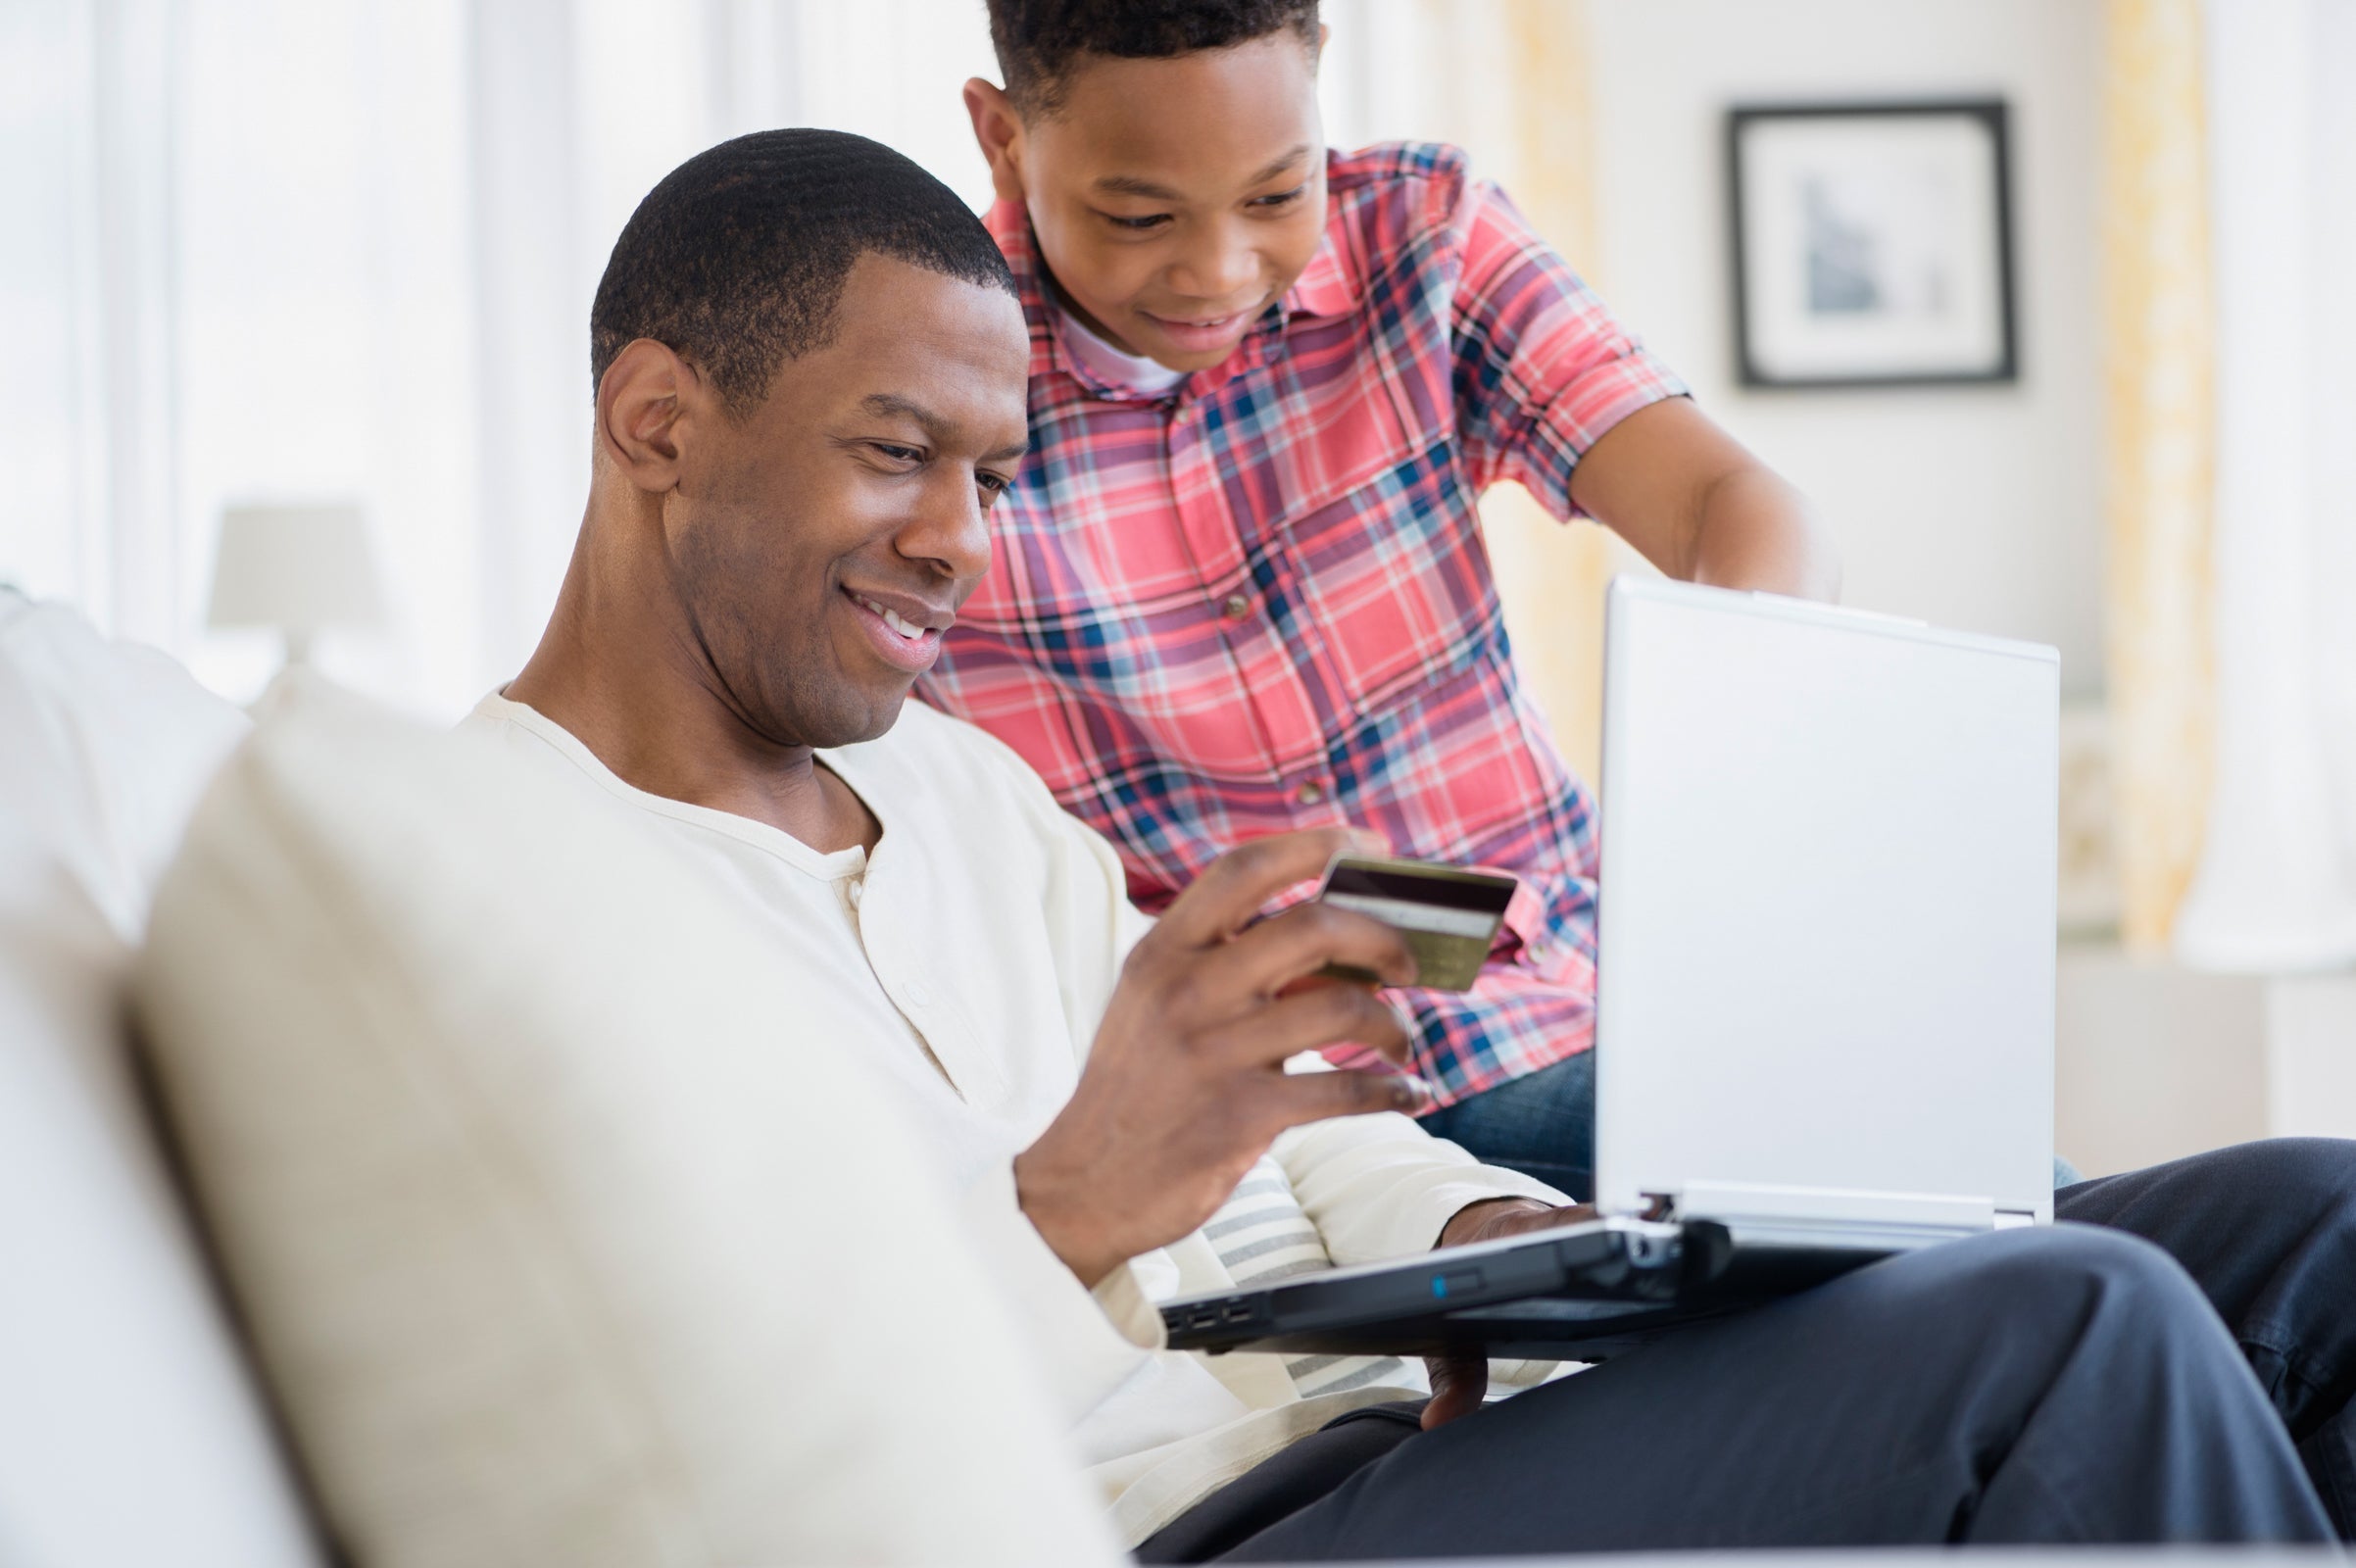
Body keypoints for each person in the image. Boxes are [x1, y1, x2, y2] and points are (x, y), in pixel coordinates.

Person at [472, 126, 2356, 1559]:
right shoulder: (490, 887)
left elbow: (1299, 1160)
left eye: (990, 472)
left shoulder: (959, 794)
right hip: (1194, 1524)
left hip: (1406, 1413)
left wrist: (1497, 1237)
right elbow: (676, 1464)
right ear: (655, 422)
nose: (965, 542)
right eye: (898, 454)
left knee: (2305, 1224)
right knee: (2068, 1327)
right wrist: (1064, 1216)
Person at [914, 0, 1841, 1193]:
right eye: (1137, 215)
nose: (1217, 270)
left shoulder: (1418, 232)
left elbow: (1736, 506)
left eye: (1273, 194)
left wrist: (1733, 743)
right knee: (2006, 1244)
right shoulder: (929, 367)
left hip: (1590, 987)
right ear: (1000, 139)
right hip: (1290, 1087)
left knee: (2063, 1219)